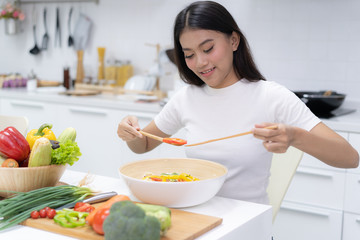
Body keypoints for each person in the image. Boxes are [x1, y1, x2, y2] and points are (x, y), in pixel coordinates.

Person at [117, 1, 359, 204]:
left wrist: (295, 136)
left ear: (234, 41)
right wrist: (131, 134)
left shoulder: (271, 96)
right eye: (189, 54)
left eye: (208, 48)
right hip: (200, 220)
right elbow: (144, 145)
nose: (200, 62)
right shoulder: (186, 98)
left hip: (248, 223)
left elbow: (350, 158)